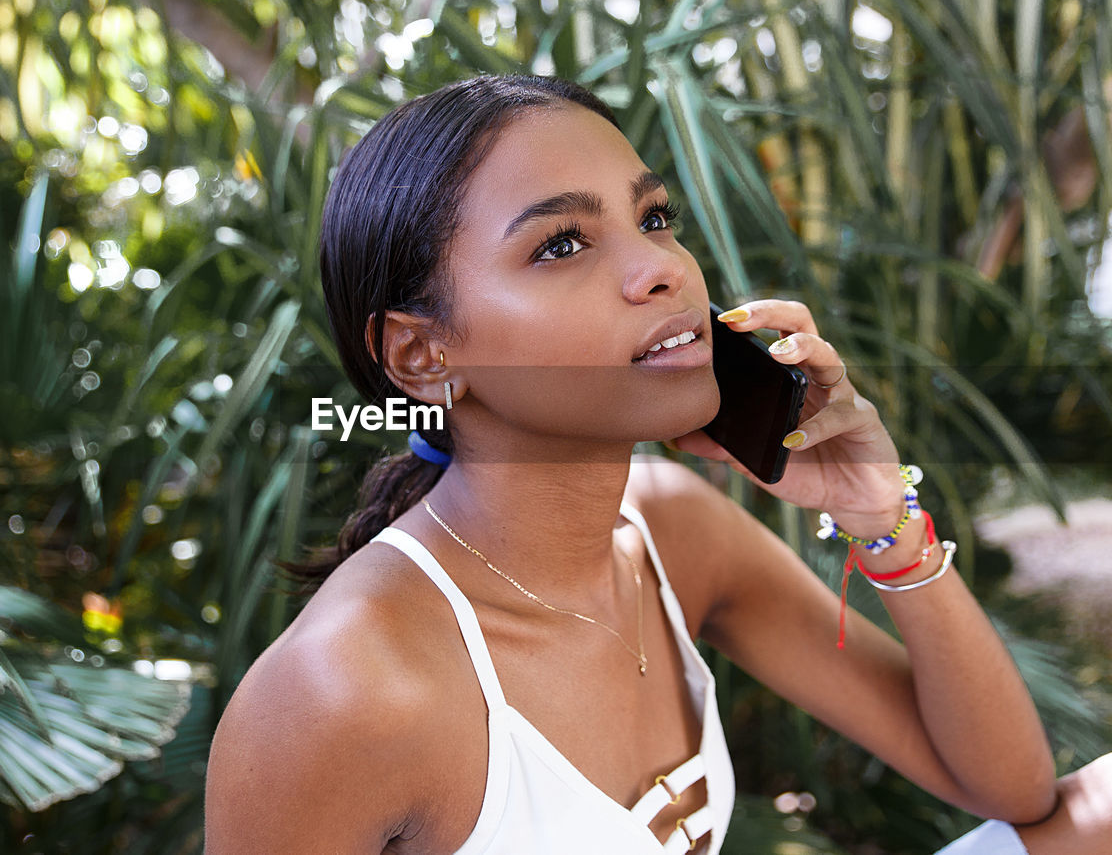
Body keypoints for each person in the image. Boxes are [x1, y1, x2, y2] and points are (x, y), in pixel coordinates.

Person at [204, 74, 1108, 853]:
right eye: (561, 244)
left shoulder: (669, 531)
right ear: (421, 356)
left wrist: (881, 514)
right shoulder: (341, 691)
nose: (661, 269)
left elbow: (1013, 790)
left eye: (654, 217)